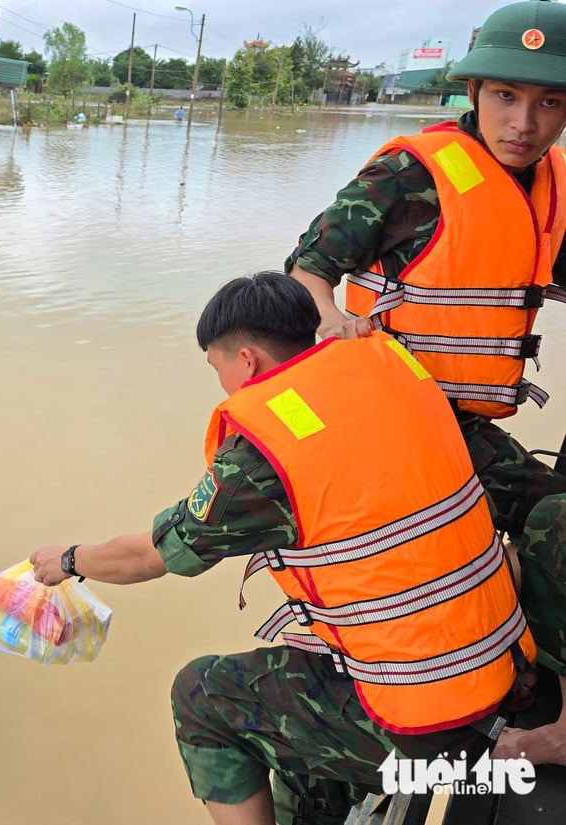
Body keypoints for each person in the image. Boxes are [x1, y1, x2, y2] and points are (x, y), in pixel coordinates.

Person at [30, 272, 535, 825]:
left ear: (246, 360)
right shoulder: (390, 371)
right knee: (295, 678)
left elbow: (150, 556)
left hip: (424, 723)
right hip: (505, 668)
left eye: (217, 367)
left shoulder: (262, 458)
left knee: (202, 696)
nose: (222, 383)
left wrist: (68, 560)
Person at [284, 0, 566, 766]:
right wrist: (331, 318)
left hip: (467, 421)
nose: (524, 123)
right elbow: (307, 268)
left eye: (549, 103)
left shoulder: (550, 184)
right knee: (556, 522)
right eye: (505, 96)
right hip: (403, 422)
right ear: (473, 92)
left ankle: (516, 655)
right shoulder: (412, 174)